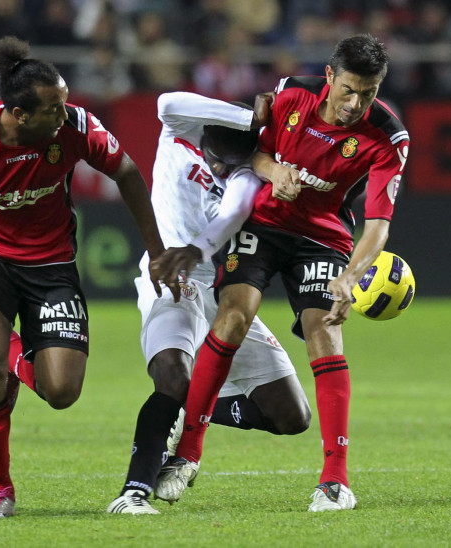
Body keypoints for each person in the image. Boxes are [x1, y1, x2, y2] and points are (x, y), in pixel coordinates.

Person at [0, 35, 166, 519]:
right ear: (20, 115)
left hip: (52, 266)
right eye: (54, 110)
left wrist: (157, 251)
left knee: (62, 393)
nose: (65, 116)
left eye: (65, 105)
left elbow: (127, 172)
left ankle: (16, 361)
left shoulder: (77, 127)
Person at [155, 34, 410, 512]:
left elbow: (378, 227)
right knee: (234, 316)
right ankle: (186, 453)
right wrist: (274, 172)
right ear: (330, 77)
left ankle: (335, 481)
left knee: (326, 330)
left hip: (324, 236)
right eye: (349, 90)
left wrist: (351, 276)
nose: (357, 104)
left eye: (370, 93)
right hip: (263, 223)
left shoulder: (389, 138)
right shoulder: (291, 93)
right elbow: (246, 154)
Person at [106, 91, 312, 514]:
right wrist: (246, 116)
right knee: (172, 373)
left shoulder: (248, 176)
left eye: (228, 164)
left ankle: (192, 405)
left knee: (292, 416)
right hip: (167, 277)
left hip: (221, 288)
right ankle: (133, 493)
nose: (217, 168)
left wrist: (198, 249)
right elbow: (166, 100)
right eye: (214, 158)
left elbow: (233, 213)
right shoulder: (179, 132)